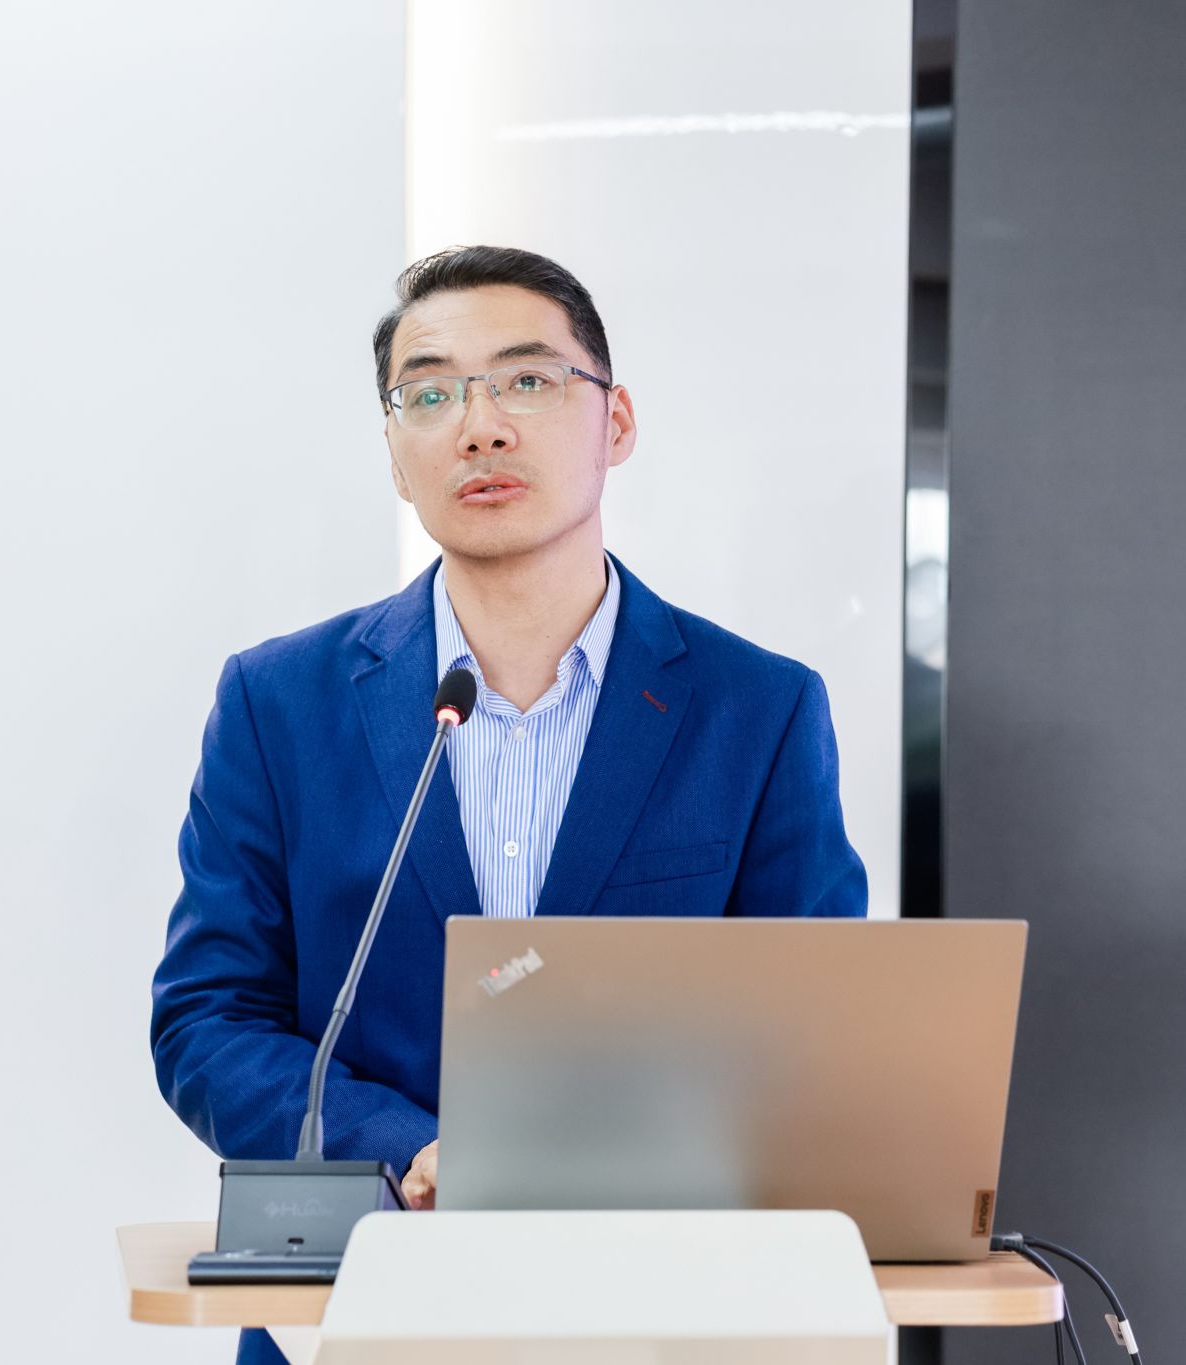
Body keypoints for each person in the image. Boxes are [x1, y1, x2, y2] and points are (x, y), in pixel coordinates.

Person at [149, 245, 867, 1365]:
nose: (478, 427)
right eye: (430, 395)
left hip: (662, 1312)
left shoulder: (757, 708)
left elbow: (813, 1030)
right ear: (396, 457)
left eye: (526, 380)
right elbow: (208, 1017)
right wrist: (408, 1148)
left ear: (615, 422)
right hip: (358, 1309)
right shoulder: (277, 702)